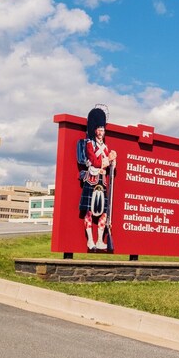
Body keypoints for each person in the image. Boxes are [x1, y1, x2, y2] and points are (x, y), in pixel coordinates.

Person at [77, 106, 117, 251]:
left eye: (103, 130)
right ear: (95, 130)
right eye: (99, 129)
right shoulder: (89, 144)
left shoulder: (105, 147)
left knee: (104, 213)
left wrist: (113, 160)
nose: (101, 132)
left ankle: (100, 240)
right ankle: (90, 240)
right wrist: (107, 160)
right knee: (89, 211)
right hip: (92, 178)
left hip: (102, 179)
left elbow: (107, 163)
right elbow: (93, 160)